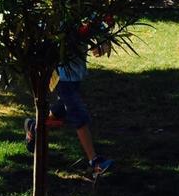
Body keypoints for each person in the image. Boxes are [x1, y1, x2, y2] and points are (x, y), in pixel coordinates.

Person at [24, 47, 114, 178]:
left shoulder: (83, 25)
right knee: (78, 113)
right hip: (62, 76)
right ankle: (94, 162)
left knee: (60, 110)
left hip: (75, 74)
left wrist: (102, 44)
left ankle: (34, 128)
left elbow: (94, 35)